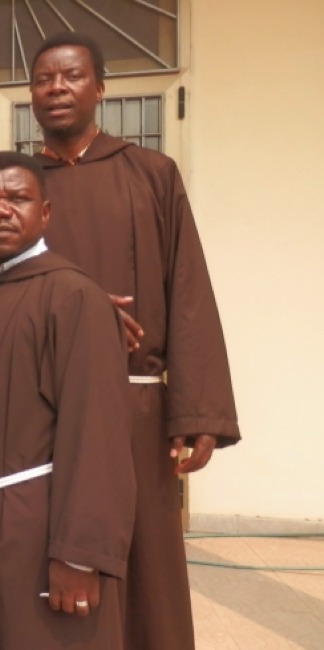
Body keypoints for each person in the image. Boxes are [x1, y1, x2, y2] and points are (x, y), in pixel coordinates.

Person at [28, 32, 241, 650]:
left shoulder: (150, 174)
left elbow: (189, 290)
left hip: (134, 406)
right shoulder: (18, 185)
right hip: (43, 408)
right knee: (55, 560)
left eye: (71, 76)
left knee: (146, 563)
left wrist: (197, 412)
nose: (57, 88)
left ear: (100, 88)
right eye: (44, 80)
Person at [0, 151, 136, 649]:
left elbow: (97, 437)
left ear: (45, 213)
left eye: (17, 198)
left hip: (35, 534)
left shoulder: (73, 297)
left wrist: (80, 554)